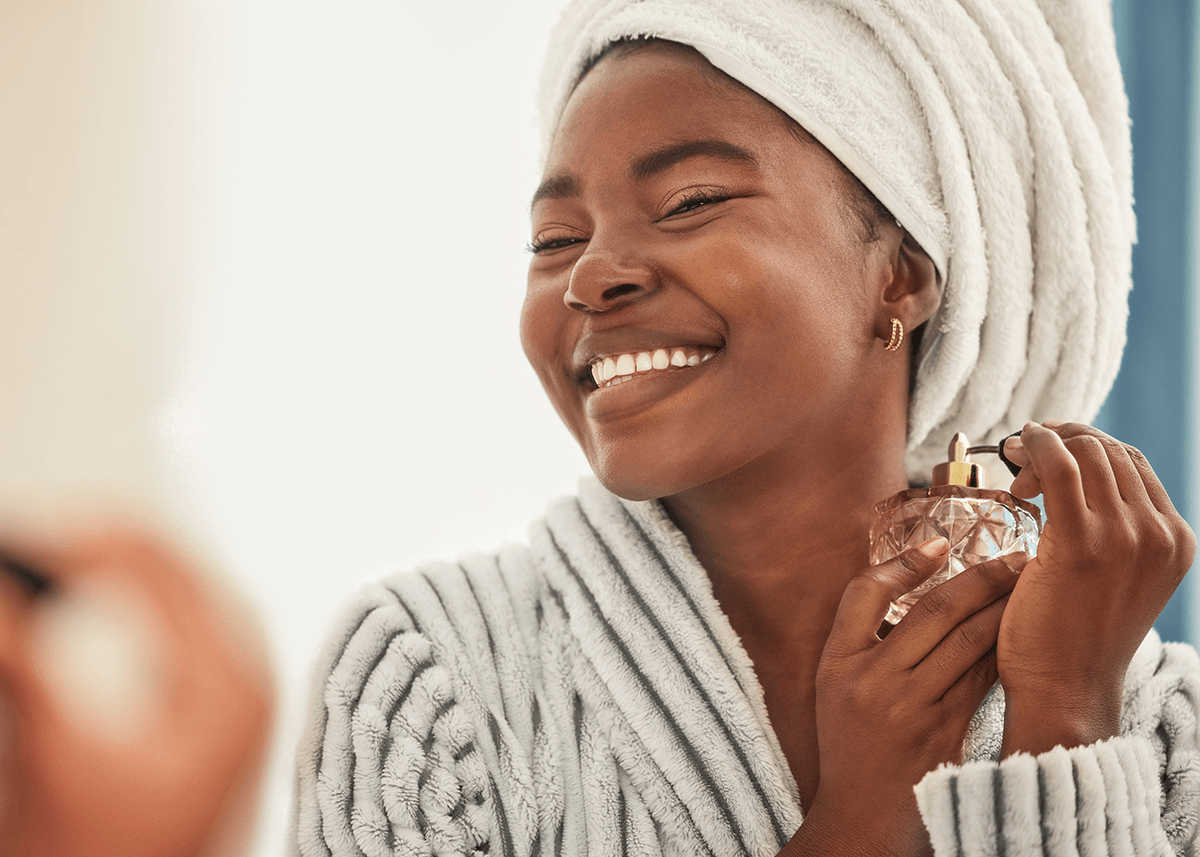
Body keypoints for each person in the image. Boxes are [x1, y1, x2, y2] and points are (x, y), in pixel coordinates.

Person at [291, 1, 1200, 855]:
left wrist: (1066, 721)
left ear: (902, 277)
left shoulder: (1156, 719)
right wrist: (856, 824)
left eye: (690, 201)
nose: (589, 276)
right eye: (554, 239)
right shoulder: (426, 679)